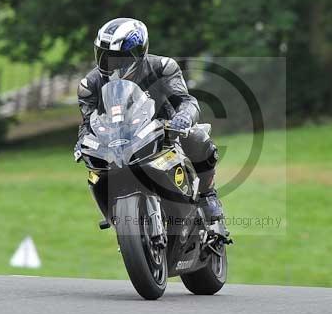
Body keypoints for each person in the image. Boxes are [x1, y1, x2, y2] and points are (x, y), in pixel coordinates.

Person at [74, 17, 225, 222]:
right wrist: (82, 141)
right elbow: (87, 123)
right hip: (118, 142)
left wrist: (183, 117)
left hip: (166, 134)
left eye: (119, 58)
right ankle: (120, 219)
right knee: (96, 170)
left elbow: (186, 101)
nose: (110, 64)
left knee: (198, 137)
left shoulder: (163, 67)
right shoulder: (89, 85)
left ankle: (208, 195)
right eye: (104, 56)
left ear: (138, 53)